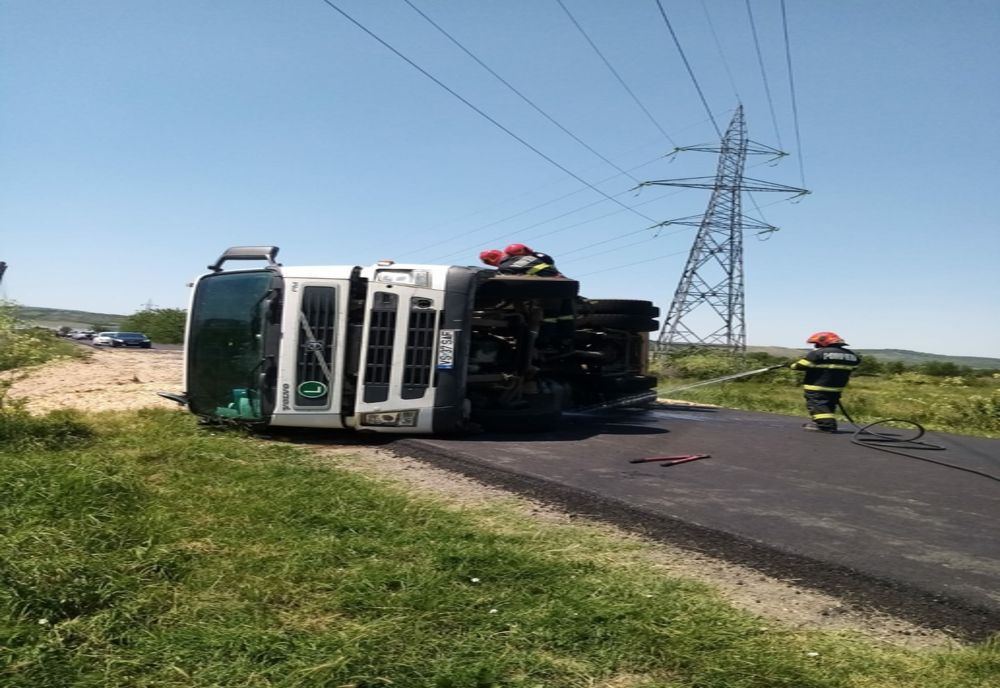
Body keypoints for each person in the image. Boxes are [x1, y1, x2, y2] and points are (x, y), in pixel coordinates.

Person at [790, 331, 861, 433]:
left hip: (817, 386)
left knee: (818, 405)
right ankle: (824, 423)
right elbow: (853, 368)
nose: (815, 346)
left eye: (816, 344)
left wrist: (791, 365)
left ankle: (826, 426)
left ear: (823, 342)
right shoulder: (852, 355)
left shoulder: (818, 353)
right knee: (829, 405)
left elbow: (800, 366)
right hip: (837, 387)